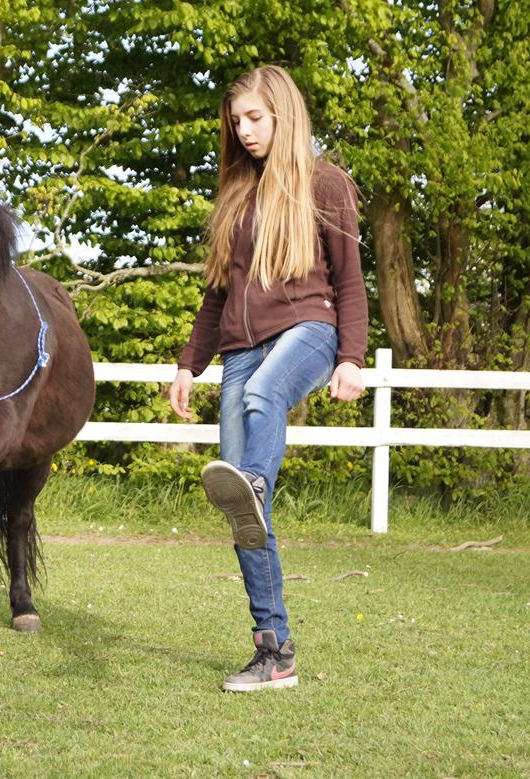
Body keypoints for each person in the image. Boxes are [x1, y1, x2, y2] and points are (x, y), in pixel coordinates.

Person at [167, 65, 368, 692]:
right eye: (237, 122)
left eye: (255, 117)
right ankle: (273, 650)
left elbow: (350, 280)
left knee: (262, 400)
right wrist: (187, 364)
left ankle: (254, 477)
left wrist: (352, 358)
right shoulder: (235, 194)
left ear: (282, 113)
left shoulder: (325, 184)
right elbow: (214, 293)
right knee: (244, 515)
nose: (245, 130)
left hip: (309, 330)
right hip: (239, 347)